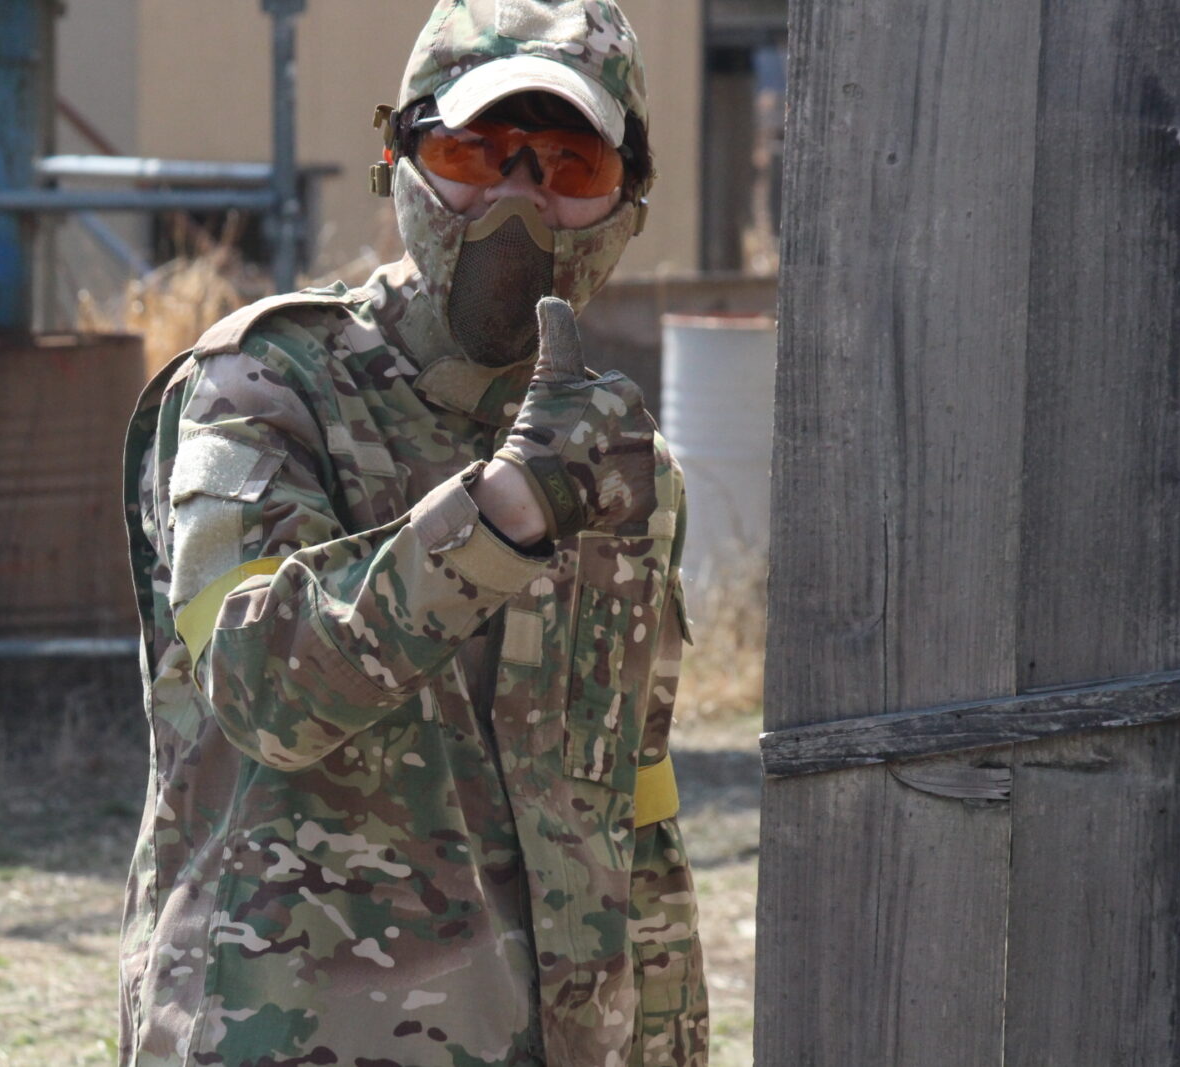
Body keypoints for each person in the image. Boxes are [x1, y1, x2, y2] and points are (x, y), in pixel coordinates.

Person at [118, 2, 707, 1064]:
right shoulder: (262, 388)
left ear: (629, 203)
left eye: (569, 167)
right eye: (474, 153)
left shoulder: (621, 464)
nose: (516, 201)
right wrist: (505, 512)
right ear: (396, 159)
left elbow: (633, 803)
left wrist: (667, 1042)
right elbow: (264, 689)